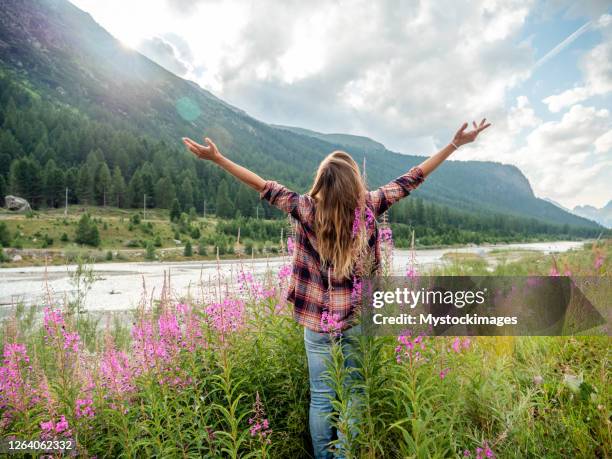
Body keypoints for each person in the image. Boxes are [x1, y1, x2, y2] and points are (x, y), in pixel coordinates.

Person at [182, 119, 490, 458]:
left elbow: (262, 185)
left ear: (321, 182)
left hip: (316, 323)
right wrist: (454, 144)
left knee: (321, 395)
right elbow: (412, 178)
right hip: (356, 320)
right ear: (354, 183)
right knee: (355, 394)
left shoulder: (304, 208)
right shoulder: (370, 206)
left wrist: (218, 158)